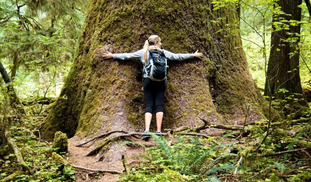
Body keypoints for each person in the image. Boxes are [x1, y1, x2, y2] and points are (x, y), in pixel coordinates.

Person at [103, 35, 203, 141]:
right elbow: (177, 57)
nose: (161, 43)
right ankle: (159, 131)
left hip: (148, 80)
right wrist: (193, 55)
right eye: (160, 41)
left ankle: (147, 130)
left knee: (149, 106)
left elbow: (128, 56)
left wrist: (113, 55)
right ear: (156, 42)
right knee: (159, 105)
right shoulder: (164, 52)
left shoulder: (144, 52)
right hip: (161, 81)